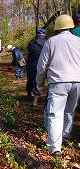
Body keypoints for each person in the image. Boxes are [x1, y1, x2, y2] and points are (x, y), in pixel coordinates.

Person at [35, 14, 80, 157]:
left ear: (57, 29)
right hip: (77, 82)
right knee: (69, 111)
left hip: (58, 82)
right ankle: (65, 136)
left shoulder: (51, 42)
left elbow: (42, 66)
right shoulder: (78, 41)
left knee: (55, 114)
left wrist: (39, 84)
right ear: (71, 27)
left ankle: (55, 148)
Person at [26, 29, 46, 97]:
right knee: (39, 80)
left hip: (31, 64)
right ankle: (36, 96)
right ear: (44, 34)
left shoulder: (31, 42)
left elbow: (28, 50)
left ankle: (29, 93)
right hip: (42, 65)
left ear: (37, 34)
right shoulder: (47, 43)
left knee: (30, 79)